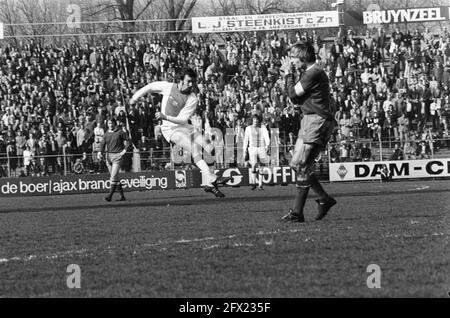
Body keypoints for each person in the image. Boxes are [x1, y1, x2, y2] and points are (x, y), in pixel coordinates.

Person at [129, 67, 231, 197]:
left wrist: (164, 116)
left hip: (182, 125)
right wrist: (134, 97)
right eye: (189, 81)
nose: (191, 84)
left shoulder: (192, 98)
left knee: (210, 148)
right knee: (194, 147)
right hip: (169, 129)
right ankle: (212, 178)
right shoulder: (168, 87)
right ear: (181, 80)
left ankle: (210, 186)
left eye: (193, 81)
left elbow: (182, 119)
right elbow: (150, 86)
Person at [279, 41, 337, 223]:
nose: (292, 61)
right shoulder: (309, 74)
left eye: (294, 57)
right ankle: (324, 199)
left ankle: (297, 212)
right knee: (297, 164)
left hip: (316, 121)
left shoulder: (313, 73)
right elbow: (296, 99)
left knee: (302, 164)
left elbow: (293, 94)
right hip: (309, 120)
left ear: (303, 57)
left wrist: (288, 74)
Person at [98, 118, 128, 202]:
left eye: (111, 123)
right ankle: (122, 196)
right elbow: (102, 143)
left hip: (117, 157)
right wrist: (100, 152)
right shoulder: (107, 133)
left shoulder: (120, 132)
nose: (110, 125)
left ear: (115, 124)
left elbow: (128, 141)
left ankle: (109, 196)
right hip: (109, 157)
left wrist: (124, 150)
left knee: (113, 177)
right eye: (108, 123)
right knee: (115, 178)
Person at [243, 115, 270, 190]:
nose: (255, 121)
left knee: (261, 166)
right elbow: (246, 140)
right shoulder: (248, 128)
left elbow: (266, 136)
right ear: (252, 120)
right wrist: (244, 149)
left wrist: (267, 145)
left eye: (256, 119)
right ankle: (254, 182)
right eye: (254, 119)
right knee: (254, 164)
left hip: (261, 148)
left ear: (258, 120)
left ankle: (260, 185)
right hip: (252, 148)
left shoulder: (263, 127)